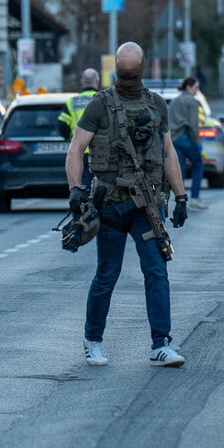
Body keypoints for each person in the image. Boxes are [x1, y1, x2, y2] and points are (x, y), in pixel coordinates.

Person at [65, 41, 189, 367]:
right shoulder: (100, 105)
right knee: (107, 273)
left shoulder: (156, 105)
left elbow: (168, 152)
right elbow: (76, 148)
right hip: (110, 205)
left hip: (146, 204)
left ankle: (161, 343)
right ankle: (93, 339)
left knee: (156, 271)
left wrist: (181, 195)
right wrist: (76, 189)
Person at [169, 76, 208, 210]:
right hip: (185, 138)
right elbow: (193, 125)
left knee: (180, 170)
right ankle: (195, 199)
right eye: (196, 87)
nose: (197, 91)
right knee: (198, 165)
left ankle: (181, 200)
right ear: (188, 87)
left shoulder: (174, 101)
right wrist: (197, 143)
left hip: (173, 139)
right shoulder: (192, 102)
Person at [58, 68, 101, 188]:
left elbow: (62, 124)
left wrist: (70, 139)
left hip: (79, 151)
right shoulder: (102, 100)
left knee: (84, 186)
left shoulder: (72, 102)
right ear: (97, 81)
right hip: (100, 152)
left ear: (82, 81)